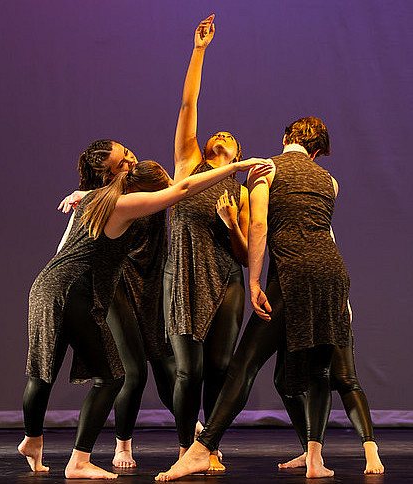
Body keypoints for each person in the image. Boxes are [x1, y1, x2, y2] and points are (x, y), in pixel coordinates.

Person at [19, 156, 272, 479]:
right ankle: (79, 461)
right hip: (73, 291)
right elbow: (184, 188)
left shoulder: (99, 197)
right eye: (157, 193)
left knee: (48, 370)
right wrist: (235, 168)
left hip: (51, 286)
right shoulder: (125, 204)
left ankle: (33, 441)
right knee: (111, 377)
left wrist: (79, 194)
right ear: (143, 190)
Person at [156, 117, 349, 481]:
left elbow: (258, 226)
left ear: (285, 138)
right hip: (332, 275)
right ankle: (315, 459)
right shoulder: (331, 182)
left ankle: (201, 448)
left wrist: (256, 280)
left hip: (290, 275)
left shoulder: (265, 170)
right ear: (319, 151)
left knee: (243, 365)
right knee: (319, 370)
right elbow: (326, 234)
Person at [58, 140, 177, 468]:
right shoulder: (110, 202)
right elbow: (66, 253)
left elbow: (176, 190)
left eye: (127, 153)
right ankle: (122, 445)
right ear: (108, 177)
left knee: (166, 364)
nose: (131, 160)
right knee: (132, 372)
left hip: (148, 284)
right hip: (118, 285)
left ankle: (192, 434)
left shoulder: (147, 183)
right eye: (122, 163)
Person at [164, 14, 250, 470]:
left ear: (237, 155)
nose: (222, 135)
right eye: (218, 133)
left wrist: (232, 223)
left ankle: (208, 448)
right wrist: (199, 49)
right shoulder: (189, 162)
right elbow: (187, 104)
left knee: (219, 369)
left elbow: (243, 252)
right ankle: (184, 446)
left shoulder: (239, 189)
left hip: (225, 279)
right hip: (184, 274)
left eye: (230, 139)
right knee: (188, 371)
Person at [275, 300, 385, 474]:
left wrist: (345, 298)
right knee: (286, 383)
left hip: (328, 297)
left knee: (345, 379)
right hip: (297, 305)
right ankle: (311, 454)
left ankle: (370, 448)